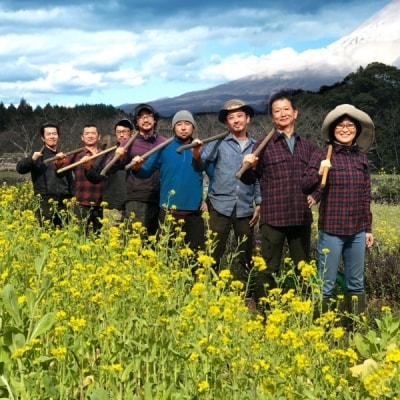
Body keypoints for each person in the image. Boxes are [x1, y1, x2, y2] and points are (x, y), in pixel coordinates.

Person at [241, 90, 318, 304]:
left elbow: (321, 176)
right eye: (277, 111)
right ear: (272, 117)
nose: (282, 114)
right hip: (273, 218)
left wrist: (316, 195)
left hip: (301, 217)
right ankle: (265, 313)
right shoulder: (262, 147)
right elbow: (249, 179)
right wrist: (247, 166)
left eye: (286, 109)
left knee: (303, 267)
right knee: (268, 267)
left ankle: (305, 311)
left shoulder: (308, 147)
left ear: (295, 113)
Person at [301, 104, 374, 320]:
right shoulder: (324, 153)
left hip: (358, 231)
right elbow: (305, 184)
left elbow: (365, 195)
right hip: (332, 229)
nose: (345, 129)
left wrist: (368, 228)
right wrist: (319, 171)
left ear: (357, 130)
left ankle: (355, 326)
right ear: (333, 129)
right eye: (340, 125)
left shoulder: (362, 158)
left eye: (350, 125)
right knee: (326, 282)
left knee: (356, 281)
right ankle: (321, 328)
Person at [192, 99, 261, 302]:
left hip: (245, 208)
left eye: (240, 116)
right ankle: (207, 292)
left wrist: (259, 202)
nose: (236, 120)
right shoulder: (217, 144)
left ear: (247, 119)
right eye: (231, 118)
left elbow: (259, 177)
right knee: (213, 250)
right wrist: (196, 153)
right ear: (226, 123)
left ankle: (250, 295)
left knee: (246, 253)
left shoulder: (257, 146)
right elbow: (200, 166)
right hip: (220, 206)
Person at [129, 110, 206, 251]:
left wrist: (207, 200)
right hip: (168, 211)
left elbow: (212, 174)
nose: (183, 128)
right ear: (173, 128)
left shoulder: (201, 147)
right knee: (166, 254)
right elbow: (145, 172)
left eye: (187, 124)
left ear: (193, 127)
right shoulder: (163, 148)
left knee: (195, 255)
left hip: (194, 212)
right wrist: (137, 168)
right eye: (179, 124)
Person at [16, 122, 74, 227]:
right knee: (46, 233)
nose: (52, 136)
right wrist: (32, 159)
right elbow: (20, 169)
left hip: (63, 202)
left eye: (54, 134)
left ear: (58, 136)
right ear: (43, 138)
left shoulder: (62, 156)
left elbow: (70, 179)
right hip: (45, 202)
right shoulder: (37, 155)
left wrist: (73, 196)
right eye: (49, 134)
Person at [122, 104, 167, 235]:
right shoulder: (129, 143)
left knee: (156, 242)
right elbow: (115, 166)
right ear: (136, 122)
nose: (145, 120)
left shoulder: (163, 142)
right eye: (141, 117)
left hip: (160, 198)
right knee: (135, 240)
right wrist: (119, 155)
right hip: (137, 198)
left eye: (148, 116)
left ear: (155, 120)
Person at [55, 123, 104, 234]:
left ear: (99, 136)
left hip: (102, 203)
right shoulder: (76, 154)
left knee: (100, 239)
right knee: (79, 236)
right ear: (82, 137)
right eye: (87, 133)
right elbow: (60, 172)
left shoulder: (105, 154)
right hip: (81, 202)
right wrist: (58, 163)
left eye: (93, 133)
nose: (90, 136)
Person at [83, 118, 134, 225]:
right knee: (112, 239)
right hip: (113, 205)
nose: (121, 135)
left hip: (135, 203)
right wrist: (88, 168)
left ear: (132, 133)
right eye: (118, 132)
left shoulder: (139, 151)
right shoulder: (108, 153)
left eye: (125, 131)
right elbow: (96, 177)